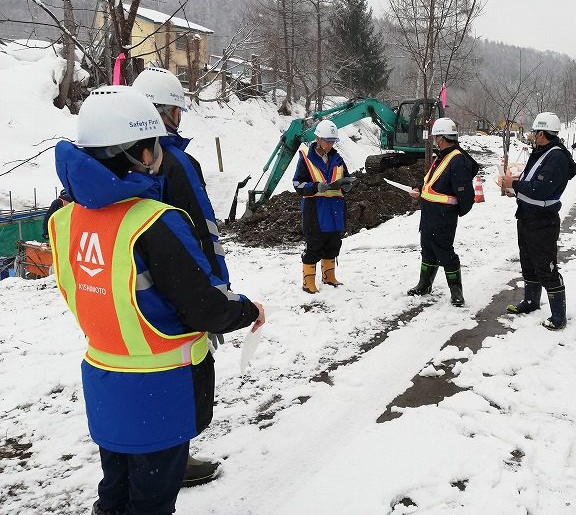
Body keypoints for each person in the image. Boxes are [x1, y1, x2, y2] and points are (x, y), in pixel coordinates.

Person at [47, 86, 265, 515]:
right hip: (161, 391)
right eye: (153, 147)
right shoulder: (154, 223)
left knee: (115, 491)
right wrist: (246, 309)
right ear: (139, 154)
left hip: (105, 378)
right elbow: (206, 307)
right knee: (151, 501)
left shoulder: (66, 220)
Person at [132, 65, 227, 486]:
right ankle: (174, 457)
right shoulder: (175, 162)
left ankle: (142, 453)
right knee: (186, 370)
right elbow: (201, 231)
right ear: (163, 113)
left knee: (139, 371)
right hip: (178, 287)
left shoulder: (111, 158)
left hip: (129, 288)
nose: (178, 119)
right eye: (175, 111)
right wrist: (217, 294)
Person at [503, 112, 576, 330]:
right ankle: (531, 301)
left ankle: (558, 317)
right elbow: (530, 182)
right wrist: (514, 189)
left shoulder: (556, 157)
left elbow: (540, 190)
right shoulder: (541, 152)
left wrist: (514, 185)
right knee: (528, 262)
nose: (532, 135)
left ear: (543, 133)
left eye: (535, 132)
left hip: (543, 222)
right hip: (526, 217)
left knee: (546, 267)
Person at [407, 117, 479, 306]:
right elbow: (432, 182)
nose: (434, 140)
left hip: (443, 217)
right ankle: (424, 285)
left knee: (445, 254)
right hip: (430, 214)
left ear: (441, 137)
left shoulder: (456, 160)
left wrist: (453, 212)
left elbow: (465, 195)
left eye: (436, 136)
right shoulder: (442, 157)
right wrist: (419, 189)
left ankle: (456, 292)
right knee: (428, 250)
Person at [293, 120, 355, 293]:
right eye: (328, 141)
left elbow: (346, 177)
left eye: (333, 141)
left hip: (335, 210)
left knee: (333, 244)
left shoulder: (337, 158)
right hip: (316, 212)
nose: (330, 144)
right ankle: (308, 283)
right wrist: (315, 187)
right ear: (318, 138)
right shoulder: (306, 160)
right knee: (314, 246)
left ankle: (329, 277)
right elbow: (297, 184)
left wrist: (347, 185)